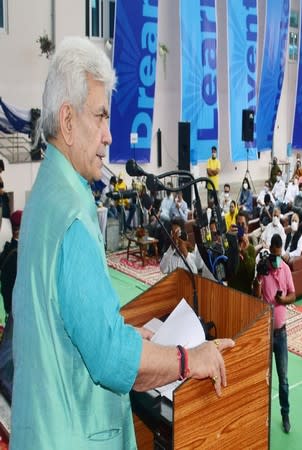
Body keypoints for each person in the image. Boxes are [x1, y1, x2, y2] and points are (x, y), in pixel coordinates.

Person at [11, 37, 234, 448]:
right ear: (68, 121)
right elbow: (111, 360)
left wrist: (122, 332)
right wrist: (189, 359)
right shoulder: (74, 216)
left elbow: (65, 316)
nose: (110, 136)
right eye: (101, 117)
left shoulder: (45, 193)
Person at [254, 234, 295, 433]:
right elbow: (255, 296)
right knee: (263, 378)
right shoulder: (263, 268)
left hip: (281, 333)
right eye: (273, 254)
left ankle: (285, 414)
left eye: (279, 255)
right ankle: (260, 415)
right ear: (270, 250)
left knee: (283, 378)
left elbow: (293, 295)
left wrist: (283, 300)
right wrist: (257, 276)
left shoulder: (286, 270)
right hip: (264, 332)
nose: (276, 259)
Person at [0, 210, 22, 400]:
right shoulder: (17, 255)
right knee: (9, 350)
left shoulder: (8, 250)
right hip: (18, 309)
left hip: (13, 307)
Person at [229, 211, 256, 295]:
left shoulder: (251, 249)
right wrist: (228, 238)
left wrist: (244, 251)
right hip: (231, 291)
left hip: (245, 294)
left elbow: (250, 275)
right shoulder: (231, 245)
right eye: (238, 224)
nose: (240, 227)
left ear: (247, 227)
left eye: (243, 224)